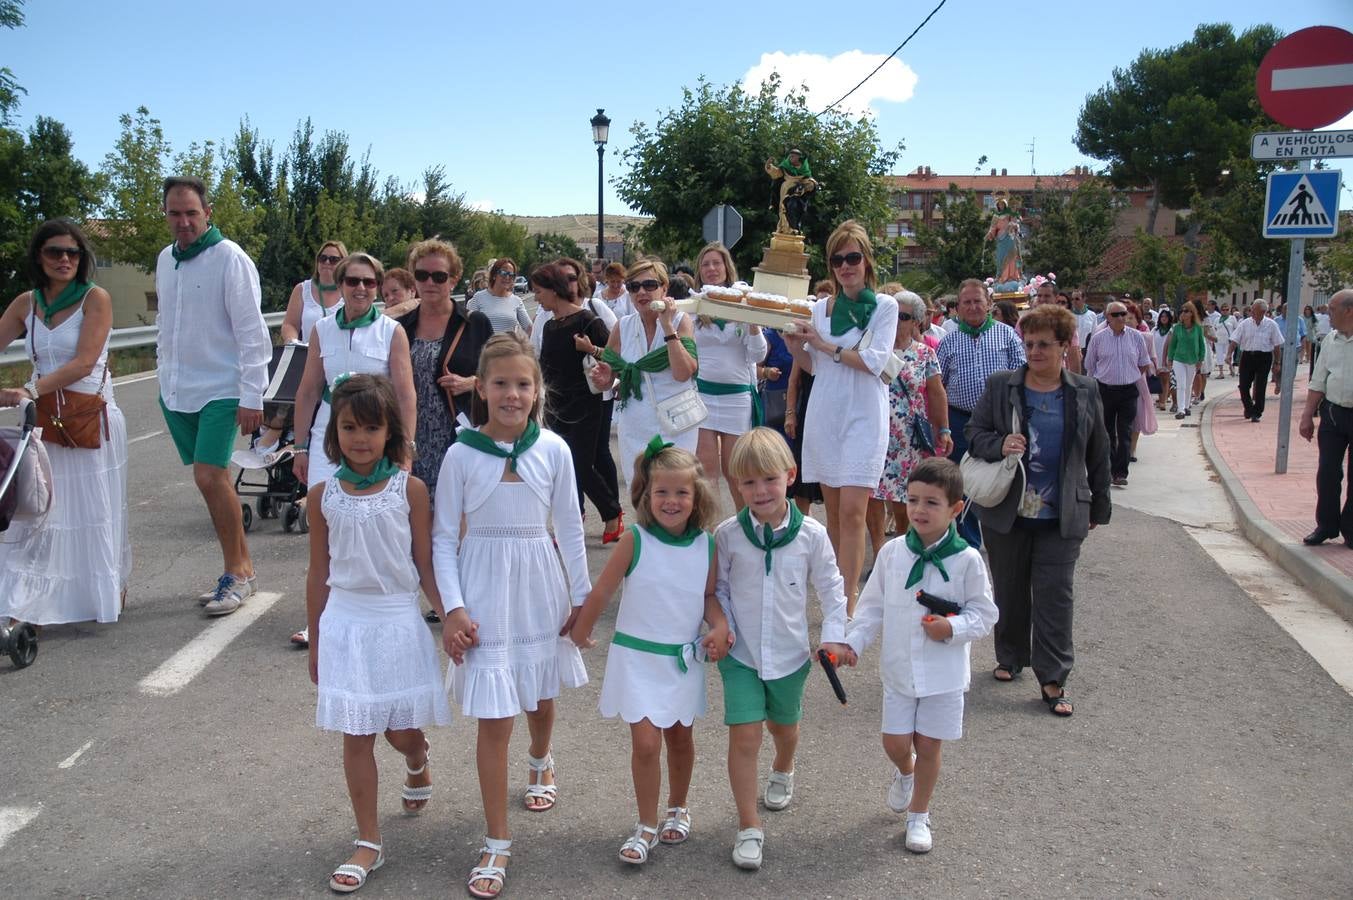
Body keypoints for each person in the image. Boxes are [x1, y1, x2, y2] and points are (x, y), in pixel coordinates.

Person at [432, 334, 591, 899]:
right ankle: (497, 840)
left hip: (540, 586)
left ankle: (542, 759)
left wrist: (583, 600)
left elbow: (570, 528)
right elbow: (444, 537)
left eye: (523, 384)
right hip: (483, 592)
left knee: (540, 695)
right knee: (494, 716)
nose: (512, 394)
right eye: (500, 383)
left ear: (537, 389)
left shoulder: (554, 450)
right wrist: (452, 609)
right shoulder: (460, 453)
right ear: (481, 387)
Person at [304, 374, 462, 893]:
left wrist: (451, 617)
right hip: (345, 624)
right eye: (349, 427)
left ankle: (417, 759)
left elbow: (424, 564)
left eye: (372, 427)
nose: (360, 438)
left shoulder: (410, 489)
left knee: (399, 732)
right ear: (336, 432)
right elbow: (317, 572)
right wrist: (317, 640)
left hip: (396, 621)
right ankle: (368, 840)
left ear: (390, 431)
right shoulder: (322, 496)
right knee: (357, 735)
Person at [568, 439, 731, 864]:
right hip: (637, 659)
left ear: (697, 498)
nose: (671, 501)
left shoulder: (707, 545)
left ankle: (678, 806)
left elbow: (709, 595)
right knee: (645, 743)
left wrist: (720, 625)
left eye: (681, 492)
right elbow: (601, 592)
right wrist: (580, 633)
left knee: (680, 738)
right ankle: (645, 823)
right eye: (662, 492)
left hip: (681, 660)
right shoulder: (634, 539)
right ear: (646, 494)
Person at [714, 427, 852, 871]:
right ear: (737, 485)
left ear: (790, 476)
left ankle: (785, 765)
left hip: (791, 657)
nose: (760, 490)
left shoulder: (811, 534)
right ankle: (749, 827)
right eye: (748, 482)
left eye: (769, 479)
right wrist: (723, 629)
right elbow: (718, 591)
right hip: (741, 658)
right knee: (745, 734)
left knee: (783, 727)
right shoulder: (728, 535)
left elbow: (833, 589)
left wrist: (834, 635)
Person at [964, 304, 1111, 718]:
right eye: (1029, 344)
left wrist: (1100, 502)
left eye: (1044, 344)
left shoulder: (1084, 390)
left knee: (1055, 595)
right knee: (1009, 586)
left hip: (1061, 512)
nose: (1034, 351)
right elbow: (973, 434)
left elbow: (1098, 450)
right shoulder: (1001, 387)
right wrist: (1001, 444)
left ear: (1065, 346)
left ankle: (1053, 676)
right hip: (1008, 508)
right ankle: (1010, 654)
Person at [846, 457, 997, 854]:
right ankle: (905, 771)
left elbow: (985, 614)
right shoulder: (893, 553)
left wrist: (953, 628)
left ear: (955, 508)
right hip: (898, 671)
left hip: (943, 675)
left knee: (930, 744)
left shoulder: (967, 561)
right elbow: (872, 607)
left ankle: (919, 815)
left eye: (932, 502)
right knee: (896, 743)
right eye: (913, 500)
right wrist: (852, 644)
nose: (919, 510)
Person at [0, 219, 131, 626]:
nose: (64, 259)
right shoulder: (27, 303)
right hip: (44, 420)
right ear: (39, 257)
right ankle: (31, 599)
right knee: (39, 510)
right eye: (54, 251)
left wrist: (29, 390)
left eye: (72, 252)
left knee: (88, 513)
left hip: (87, 419)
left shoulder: (96, 298)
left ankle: (93, 594)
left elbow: (83, 362)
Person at [154, 176, 270, 616]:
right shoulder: (166, 260)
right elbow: (166, 323)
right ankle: (243, 569)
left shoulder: (230, 258)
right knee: (214, 481)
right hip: (178, 389)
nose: (183, 221)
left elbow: (251, 330)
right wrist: (164, 379)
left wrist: (252, 395)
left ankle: (236, 573)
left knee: (208, 476)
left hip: (222, 388)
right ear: (165, 214)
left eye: (191, 213)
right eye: (175, 213)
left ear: (207, 213)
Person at [786, 220, 899, 616]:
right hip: (826, 414)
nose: (845, 266)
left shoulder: (885, 307)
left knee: (854, 511)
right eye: (838, 259)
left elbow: (873, 362)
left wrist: (823, 344)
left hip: (865, 417)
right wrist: (796, 347)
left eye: (853, 257)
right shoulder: (819, 309)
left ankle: (849, 601)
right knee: (833, 513)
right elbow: (813, 366)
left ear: (867, 261)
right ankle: (837, 596)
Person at [530, 262, 623, 541]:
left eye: (538, 291)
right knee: (563, 467)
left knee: (578, 467)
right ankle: (597, 516)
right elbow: (545, 366)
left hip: (585, 405)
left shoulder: (587, 320)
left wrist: (590, 349)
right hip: (554, 408)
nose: (536, 297)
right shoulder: (548, 325)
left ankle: (590, 518)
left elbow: (613, 358)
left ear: (553, 290)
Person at [586, 258, 699, 485]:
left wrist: (667, 327)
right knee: (641, 495)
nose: (641, 292)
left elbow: (683, 372)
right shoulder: (623, 326)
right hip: (635, 425)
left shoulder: (680, 321)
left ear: (664, 289)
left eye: (649, 285)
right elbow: (610, 375)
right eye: (634, 287)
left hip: (676, 423)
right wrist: (606, 378)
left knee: (676, 492)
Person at [396, 239, 493, 499]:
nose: (429, 283)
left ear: (454, 279)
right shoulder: (400, 327)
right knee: (416, 523)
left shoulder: (474, 323)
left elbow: (500, 376)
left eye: (439, 276)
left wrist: (472, 382)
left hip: (458, 432)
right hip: (412, 437)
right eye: (422, 275)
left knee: (456, 521)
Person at [936, 278, 1026, 547]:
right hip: (960, 420)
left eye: (978, 301)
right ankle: (969, 542)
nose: (973, 306)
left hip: (999, 423)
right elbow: (937, 387)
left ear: (988, 304)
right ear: (958, 308)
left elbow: (1022, 378)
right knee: (964, 481)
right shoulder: (948, 341)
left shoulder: (1007, 335)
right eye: (967, 302)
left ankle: (1001, 536)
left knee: (1001, 477)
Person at [868, 291, 952, 556]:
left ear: (915, 321)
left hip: (908, 438)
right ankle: (880, 552)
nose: (896, 321)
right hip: (873, 432)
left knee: (905, 497)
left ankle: (902, 550)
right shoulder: (871, 348)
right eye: (892, 315)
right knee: (873, 495)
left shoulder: (925, 354)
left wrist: (944, 429)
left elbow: (937, 392)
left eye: (903, 316)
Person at [692, 242, 768, 510]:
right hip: (702, 396)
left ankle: (746, 532)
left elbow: (758, 355)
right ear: (699, 272)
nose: (711, 269)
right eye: (705, 264)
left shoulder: (744, 301)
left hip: (737, 398)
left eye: (716, 263)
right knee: (705, 474)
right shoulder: (695, 305)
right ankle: (709, 538)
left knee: (736, 473)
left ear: (727, 268)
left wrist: (753, 321)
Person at [1298, 289, 1353, 547]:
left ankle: (1350, 528)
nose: (1326, 314)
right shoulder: (1330, 340)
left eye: (1331, 310)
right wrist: (1307, 415)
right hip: (1332, 413)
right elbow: (1318, 379)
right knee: (1328, 472)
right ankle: (1326, 525)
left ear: (1348, 311)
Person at [1084, 300, 1151, 485]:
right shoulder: (1098, 338)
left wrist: (1131, 374)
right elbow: (1090, 365)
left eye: (1123, 313)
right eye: (1116, 314)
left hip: (1128, 390)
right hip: (1105, 390)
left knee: (1125, 432)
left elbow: (1144, 363)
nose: (1121, 317)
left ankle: (1121, 472)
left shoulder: (1137, 337)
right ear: (1108, 317)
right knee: (1106, 432)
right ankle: (1109, 468)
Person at [1228, 299, 1284, 423]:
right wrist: (1228, 354)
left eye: (1254, 310)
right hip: (1247, 356)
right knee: (1243, 385)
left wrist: (1277, 362)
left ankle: (1257, 412)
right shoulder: (1245, 323)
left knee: (1260, 386)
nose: (1251, 312)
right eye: (1251, 309)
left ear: (1263, 312)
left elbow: (1277, 346)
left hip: (1264, 357)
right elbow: (1234, 340)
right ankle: (1248, 407)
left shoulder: (1271, 324)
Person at [280, 241, 346, 343]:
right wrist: (292, 340)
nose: (327, 262)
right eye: (323, 258)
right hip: (308, 354)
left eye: (333, 260)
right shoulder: (302, 289)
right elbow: (290, 324)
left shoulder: (349, 292)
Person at [469, 258, 532, 335]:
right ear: (494, 275)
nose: (507, 277)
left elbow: (529, 328)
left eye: (511, 275)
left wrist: (522, 345)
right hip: (485, 346)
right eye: (503, 273)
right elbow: (467, 327)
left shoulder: (516, 301)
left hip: (508, 346)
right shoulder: (479, 298)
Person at [1164, 302, 1206, 420]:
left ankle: (1187, 406)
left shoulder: (1198, 328)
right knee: (1181, 385)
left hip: (1193, 360)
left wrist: (1201, 359)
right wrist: (1170, 358)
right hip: (1179, 359)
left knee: (1189, 384)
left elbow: (1201, 345)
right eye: (1182, 311)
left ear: (1192, 313)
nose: (1183, 313)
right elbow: (1173, 345)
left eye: (1186, 311)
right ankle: (1181, 409)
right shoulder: (1177, 328)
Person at [1036, 281, 1082, 373]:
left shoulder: (1065, 322)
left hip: (1057, 375)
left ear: (1056, 298)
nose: (1042, 299)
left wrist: (1076, 384)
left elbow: (1073, 354)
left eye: (1047, 296)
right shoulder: (1026, 321)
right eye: (1039, 296)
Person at [1151, 308, 1175, 411]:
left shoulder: (1172, 330)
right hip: (1156, 357)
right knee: (1158, 379)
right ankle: (1160, 399)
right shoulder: (1155, 330)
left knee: (1165, 380)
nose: (1164, 318)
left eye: (1166, 317)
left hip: (1166, 358)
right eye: (1162, 316)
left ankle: (1163, 401)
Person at [1217, 304, 1240, 377]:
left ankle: (1231, 368)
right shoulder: (1217, 319)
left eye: (1227, 309)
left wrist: (1234, 339)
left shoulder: (1232, 318)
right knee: (1219, 355)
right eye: (1223, 310)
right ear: (1221, 311)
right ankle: (1221, 372)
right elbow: (1214, 328)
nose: (1225, 311)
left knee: (1229, 355)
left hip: (1228, 340)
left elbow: (1236, 329)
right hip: (1218, 339)